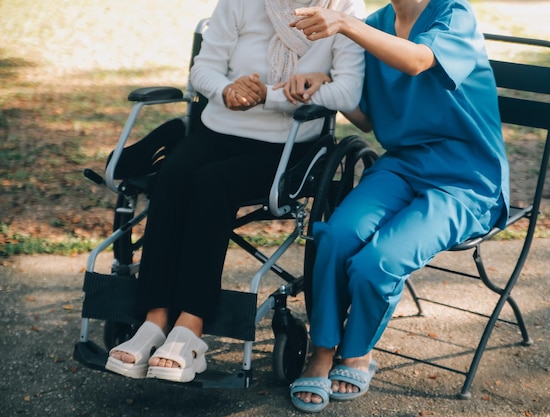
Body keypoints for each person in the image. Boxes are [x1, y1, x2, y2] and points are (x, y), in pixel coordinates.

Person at [104, 0, 365, 383]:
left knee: (213, 183)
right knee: (173, 176)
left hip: (288, 144)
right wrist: (227, 90)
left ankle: (190, 328)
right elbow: (203, 70)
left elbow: (347, 93)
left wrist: (270, 97)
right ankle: (154, 321)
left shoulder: (345, 7)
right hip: (219, 127)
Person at [287, 0, 510, 412]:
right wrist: (327, 85)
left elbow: (417, 61)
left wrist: (345, 24)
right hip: (403, 165)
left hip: (465, 178)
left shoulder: (452, 13)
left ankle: (356, 352)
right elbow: (369, 118)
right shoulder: (376, 24)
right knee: (336, 236)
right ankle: (321, 350)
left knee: (380, 261)